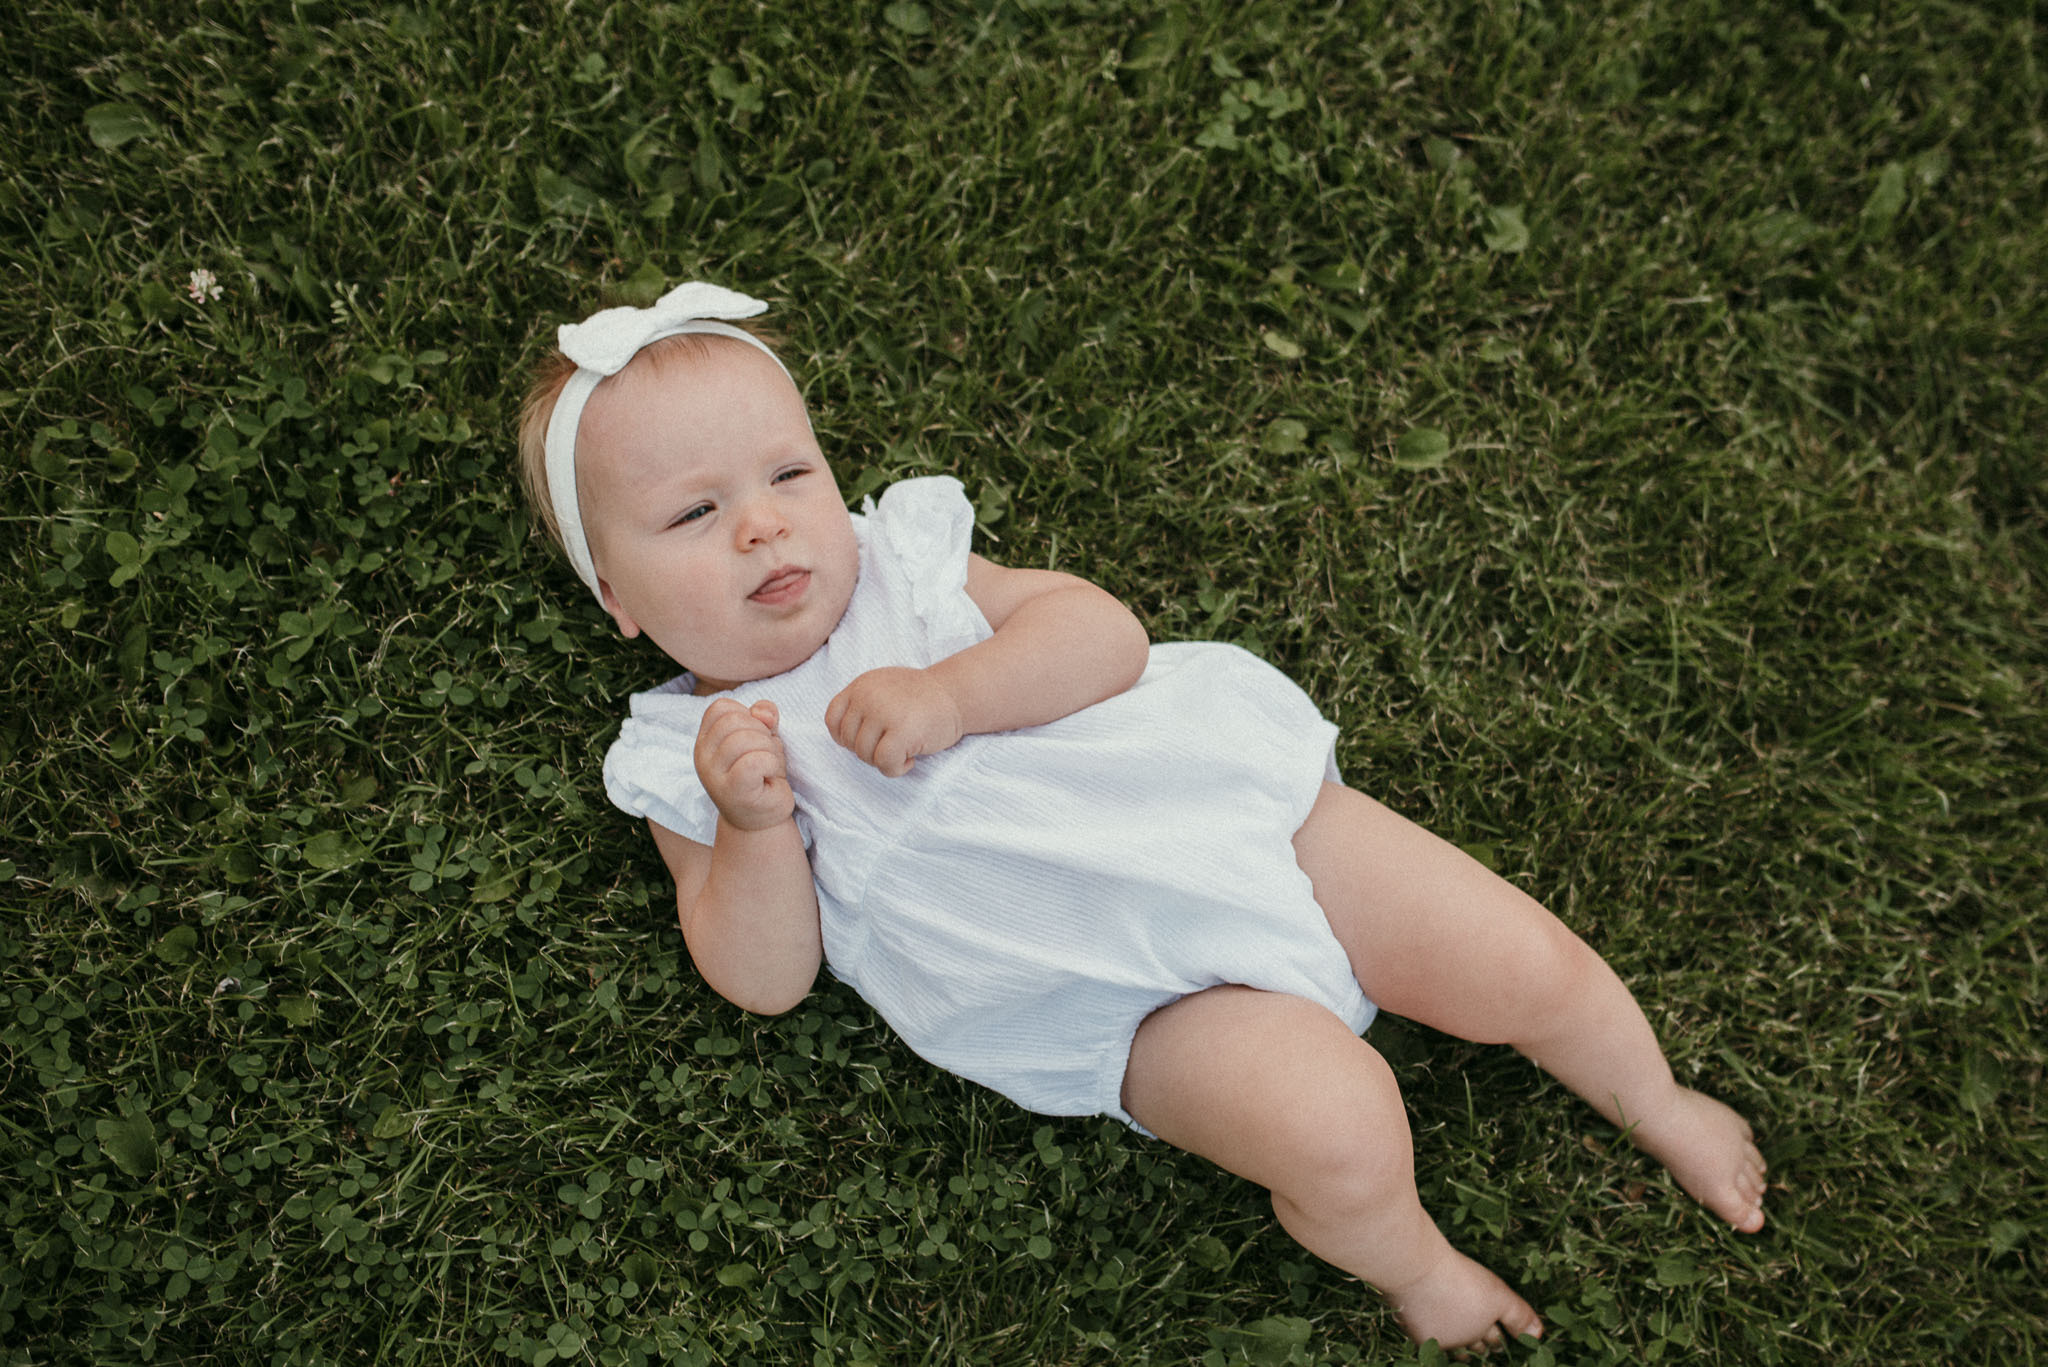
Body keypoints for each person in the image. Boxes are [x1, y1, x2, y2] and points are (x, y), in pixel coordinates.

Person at [516, 282, 1768, 1352]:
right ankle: (1414, 1264)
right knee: (1335, 1130)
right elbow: (762, 977)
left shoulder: (904, 566)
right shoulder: (686, 756)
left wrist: (952, 694)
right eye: (693, 513)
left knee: (1521, 961)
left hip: (1239, 822)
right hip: (1115, 1000)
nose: (763, 521)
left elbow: (1100, 634)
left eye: (790, 472)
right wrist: (751, 827)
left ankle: (1653, 1097)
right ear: (617, 596)